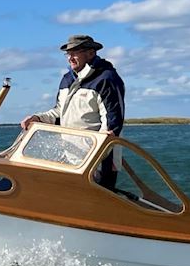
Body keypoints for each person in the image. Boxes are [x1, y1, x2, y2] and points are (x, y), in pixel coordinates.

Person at [21, 34, 126, 187]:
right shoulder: (66, 79)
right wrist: (37, 118)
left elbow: (112, 122)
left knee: (94, 205)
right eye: (68, 54)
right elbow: (59, 113)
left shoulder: (107, 79)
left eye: (75, 52)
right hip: (70, 157)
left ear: (90, 53)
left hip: (98, 161)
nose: (70, 57)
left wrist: (100, 148)